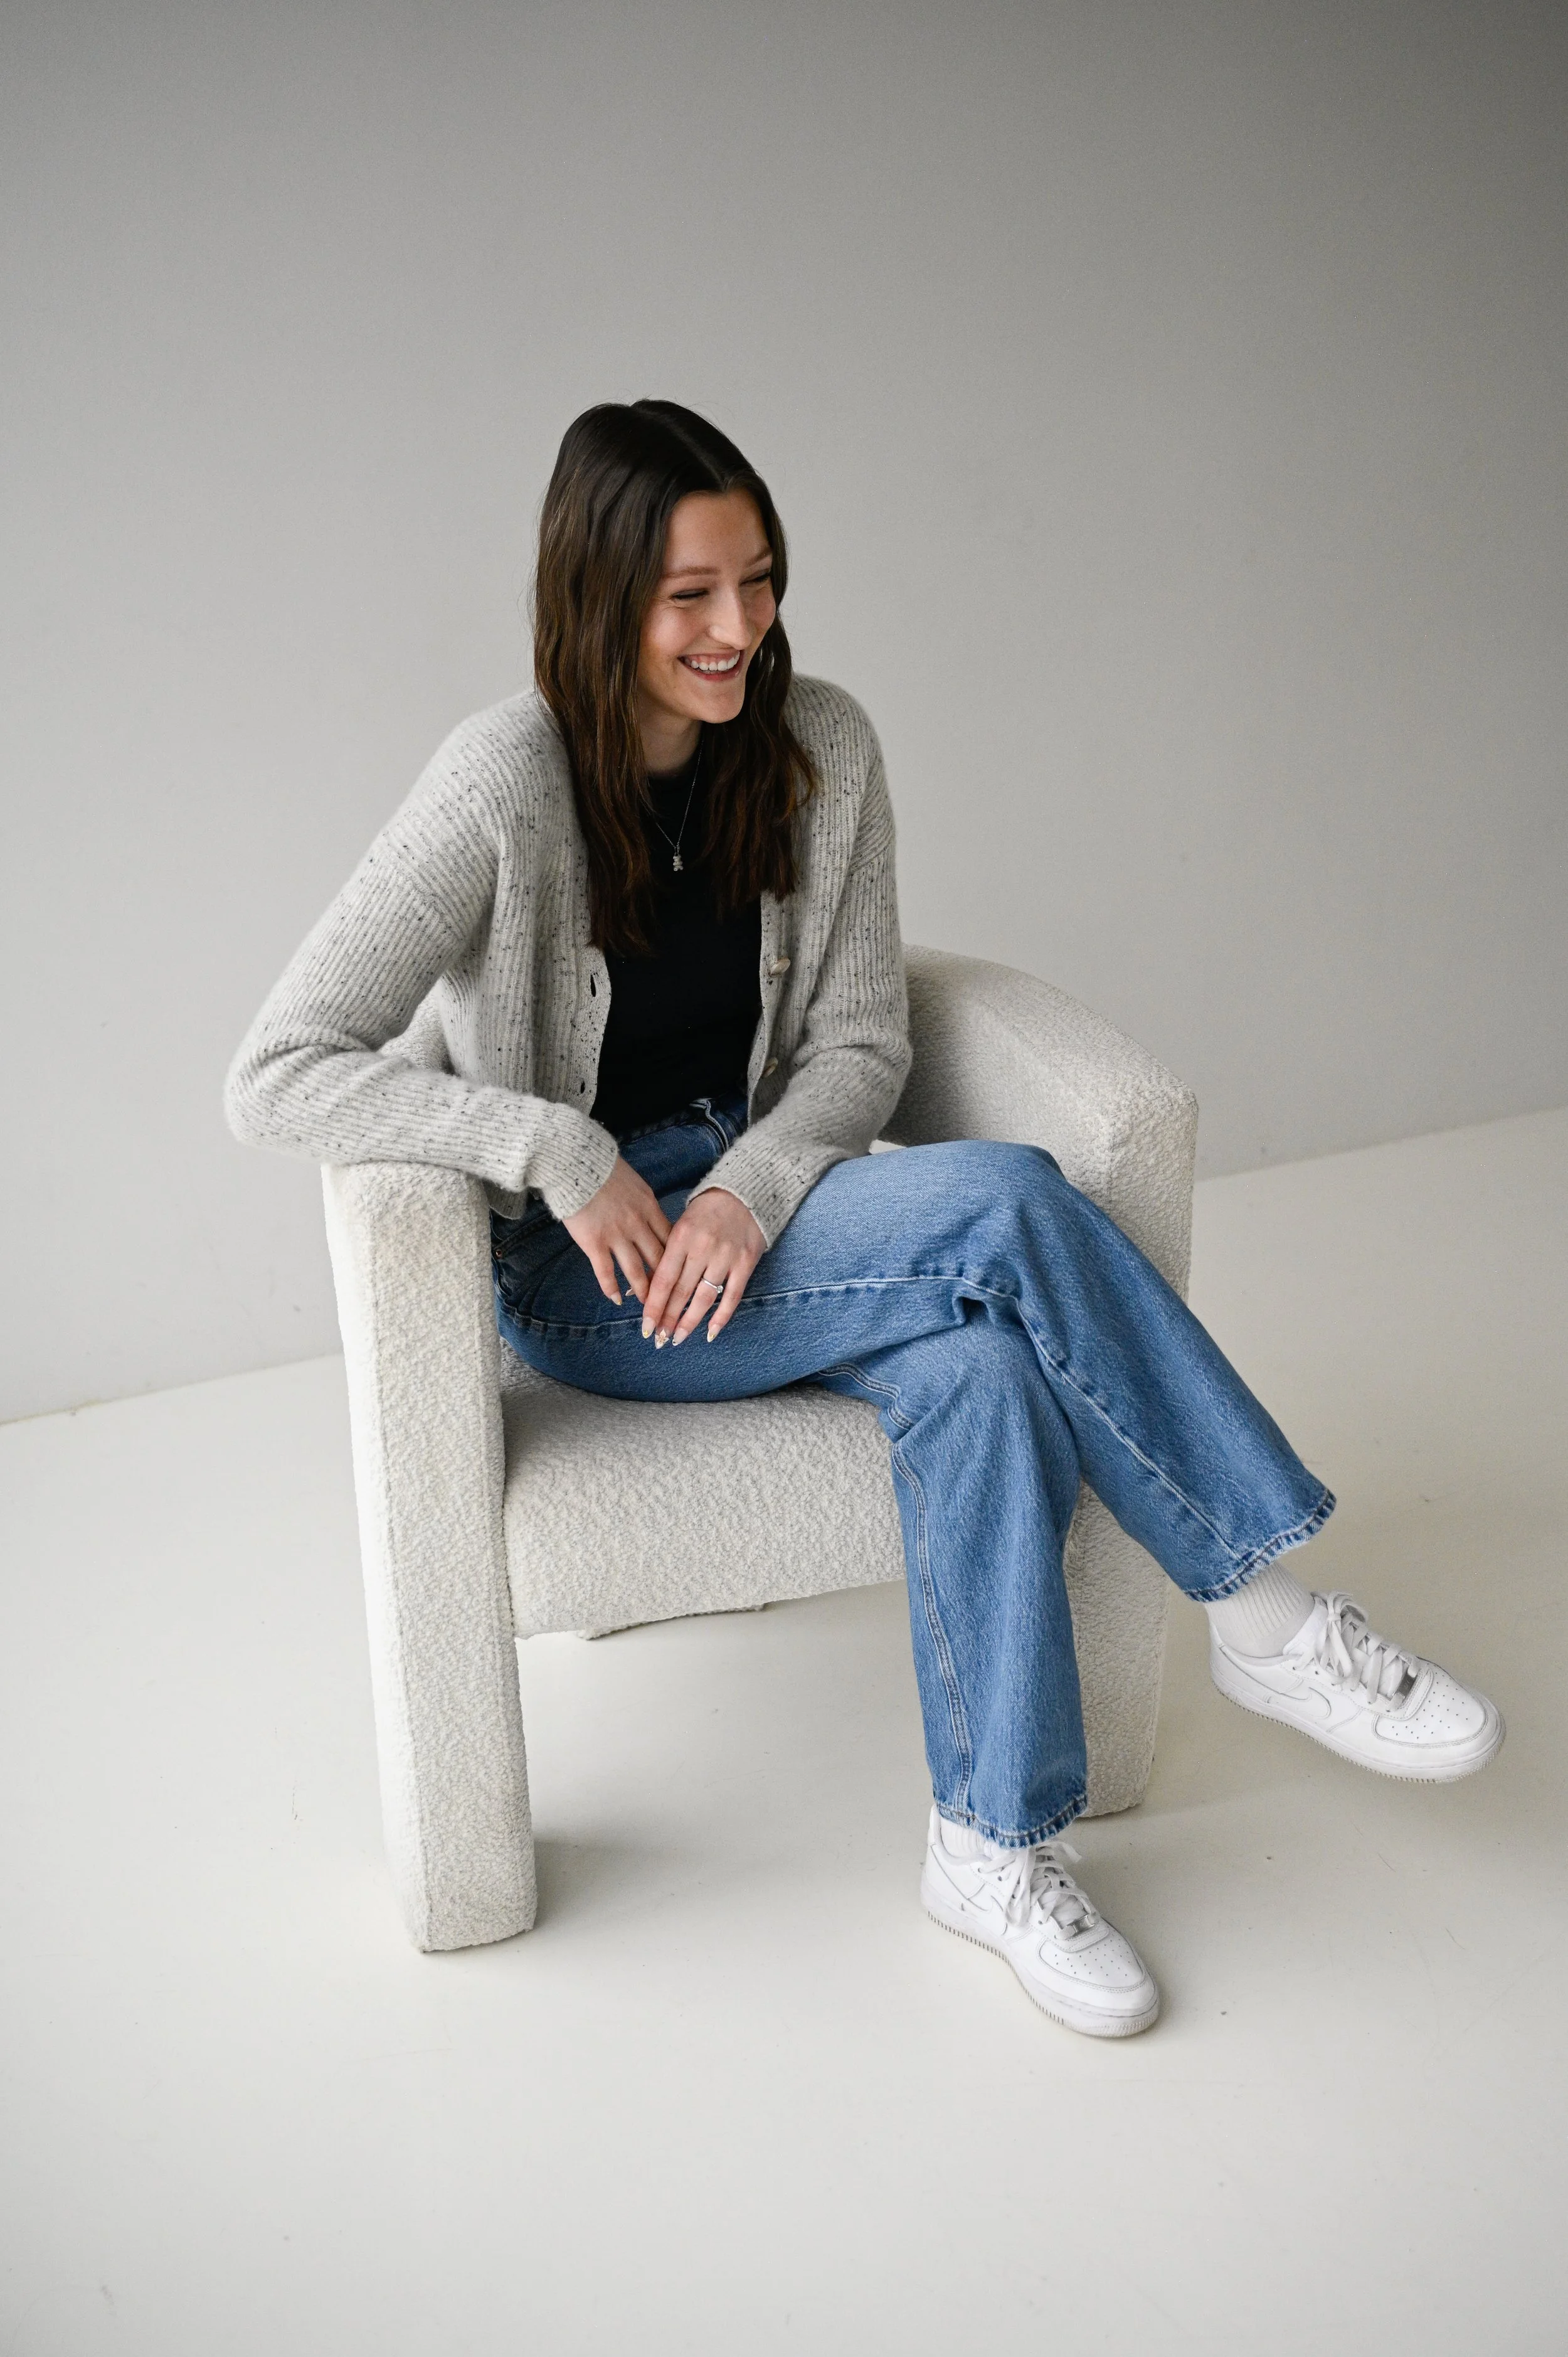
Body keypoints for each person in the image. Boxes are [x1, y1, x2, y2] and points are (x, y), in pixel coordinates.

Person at [226, 399, 1503, 2039]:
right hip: (597, 1277)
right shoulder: (499, 784)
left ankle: (990, 1843)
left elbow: (858, 1045)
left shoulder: (821, 747)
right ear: (595, 595)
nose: (735, 629)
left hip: (775, 1210)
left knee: (978, 1370)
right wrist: (547, 1145)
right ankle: (1260, 1611)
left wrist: (755, 1186)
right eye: (689, 595)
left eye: (755, 581)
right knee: (1007, 1201)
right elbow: (276, 1069)